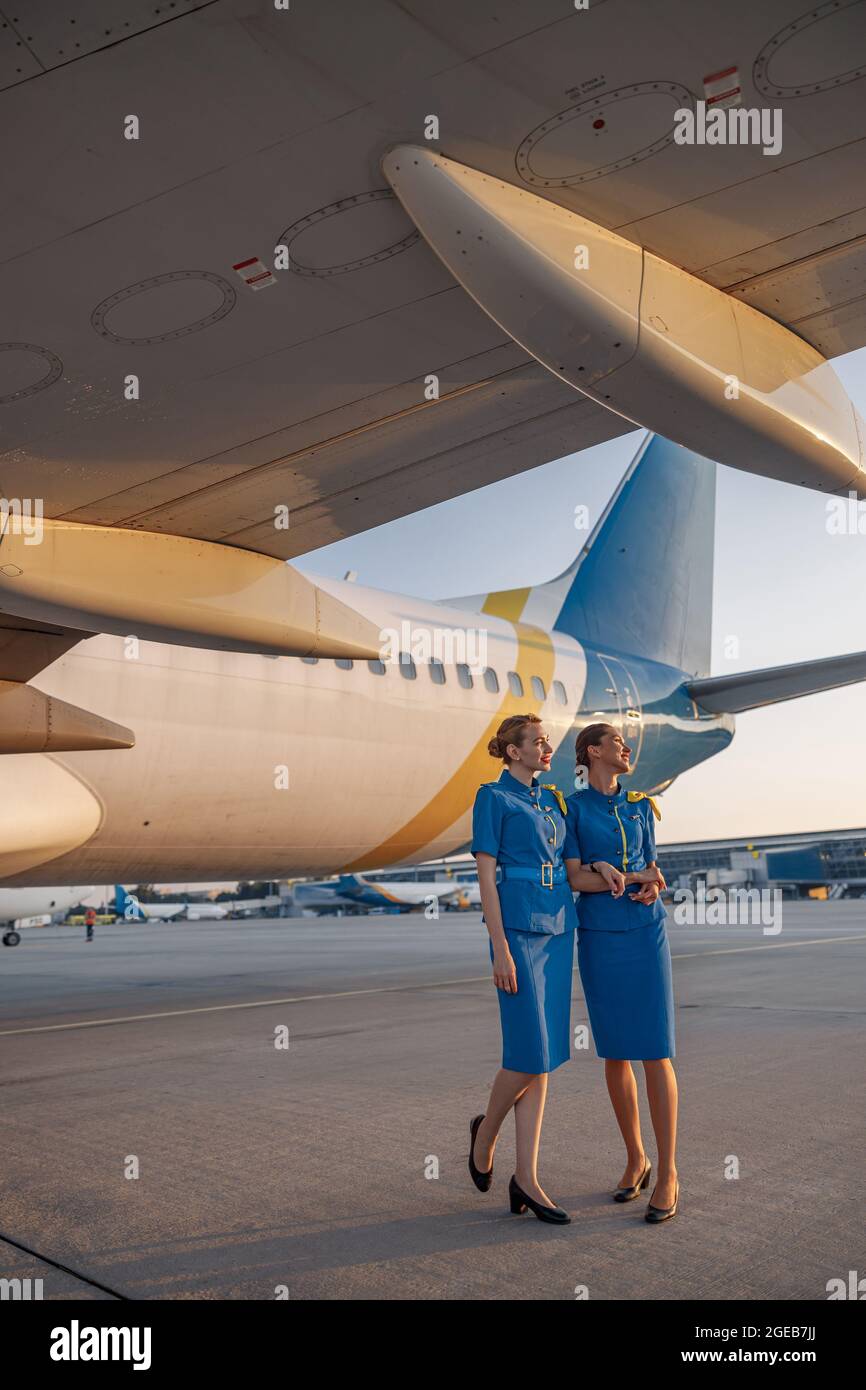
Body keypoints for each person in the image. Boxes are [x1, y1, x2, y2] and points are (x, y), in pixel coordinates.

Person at [469, 713, 589, 1224]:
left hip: (560, 928)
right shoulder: (492, 798)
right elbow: (486, 876)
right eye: (538, 742)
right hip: (516, 930)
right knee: (528, 1054)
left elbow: (568, 864)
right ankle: (485, 1135)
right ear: (513, 751)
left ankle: (527, 1178)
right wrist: (498, 945)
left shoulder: (552, 800)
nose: (547, 749)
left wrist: (606, 868)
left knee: (544, 1058)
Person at [564, 722, 679, 1223]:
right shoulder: (571, 808)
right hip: (601, 938)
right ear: (592, 752)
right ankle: (636, 1157)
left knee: (656, 1050)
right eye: (616, 742)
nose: (625, 748)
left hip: (646, 933)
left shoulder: (640, 805)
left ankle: (670, 1172)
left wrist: (655, 884)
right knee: (614, 1052)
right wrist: (618, 875)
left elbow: (655, 867)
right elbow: (574, 876)